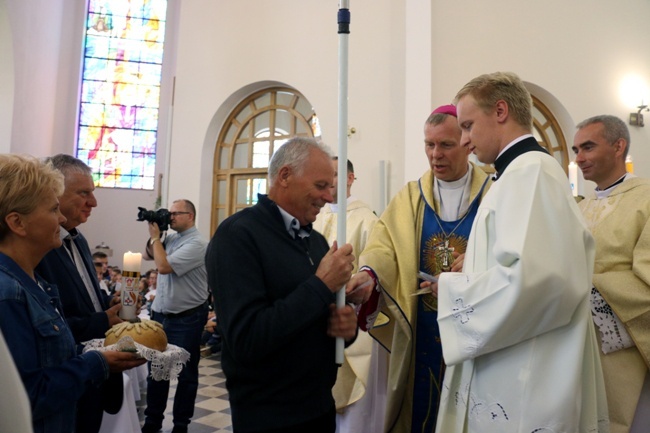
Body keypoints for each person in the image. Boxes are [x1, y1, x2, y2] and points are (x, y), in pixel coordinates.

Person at [422, 71, 605, 432]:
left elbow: (539, 281)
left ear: (501, 111)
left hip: (526, 375)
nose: (464, 140)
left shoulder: (530, 172)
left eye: (468, 125)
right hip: (514, 360)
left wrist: (455, 290)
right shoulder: (515, 175)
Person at [345, 104, 491, 432]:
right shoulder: (411, 197)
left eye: (446, 145)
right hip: (422, 325)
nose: (435, 154)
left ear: (467, 144)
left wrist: (478, 261)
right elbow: (383, 246)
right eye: (429, 144)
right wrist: (370, 276)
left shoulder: (494, 193)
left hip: (478, 328)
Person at [206, 137, 358, 433]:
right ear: (285, 176)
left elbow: (313, 322)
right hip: (269, 416)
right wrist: (320, 284)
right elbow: (246, 340)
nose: (330, 197)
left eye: (332, 186)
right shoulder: (237, 236)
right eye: (321, 185)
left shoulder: (315, 240)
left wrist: (343, 327)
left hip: (318, 408)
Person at [0, 154, 146, 433]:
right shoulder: (8, 294)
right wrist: (96, 362)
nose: (63, 218)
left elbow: (53, 353)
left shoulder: (33, 283)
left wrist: (98, 353)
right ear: (18, 223)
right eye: (54, 209)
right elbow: (23, 395)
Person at [34, 153, 125, 433]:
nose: (93, 202)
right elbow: (46, 323)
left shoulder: (79, 238)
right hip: (66, 379)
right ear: (55, 194)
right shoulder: (40, 247)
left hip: (93, 377)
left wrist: (108, 304)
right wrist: (102, 321)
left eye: (93, 193)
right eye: (84, 193)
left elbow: (84, 296)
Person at [573, 115, 650, 433]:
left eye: (588, 147)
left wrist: (589, 291)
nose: (578, 158)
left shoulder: (645, 198)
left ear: (619, 146)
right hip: (577, 345)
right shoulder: (578, 207)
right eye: (576, 149)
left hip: (626, 351)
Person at [313, 157, 383, 433]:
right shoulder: (314, 215)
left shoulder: (368, 219)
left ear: (351, 179)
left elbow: (374, 265)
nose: (329, 181)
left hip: (349, 320)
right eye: (325, 175)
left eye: (335, 175)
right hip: (314, 320)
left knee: (352, 417)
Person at [141, 199, 210, 433]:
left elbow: (163, 267)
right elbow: (149, 255)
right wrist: (156, 232)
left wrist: (155, 238)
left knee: (186, 375)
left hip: (187, 318)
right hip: (161, 315)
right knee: (157, 371)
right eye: (168, 213)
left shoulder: (198, 243)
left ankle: (180, 425)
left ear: (190, 216)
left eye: (174, 214)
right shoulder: (169, 238)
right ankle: (153, 422)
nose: (170, 217)